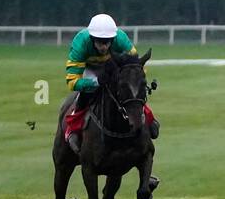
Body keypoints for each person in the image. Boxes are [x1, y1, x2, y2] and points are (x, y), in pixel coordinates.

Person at [63, 13, 160, 155]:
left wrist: (136, 81)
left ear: (113, 39)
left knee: (129, 91)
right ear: (91, 39)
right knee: (86, 93)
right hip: (90, 69)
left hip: (113, 65)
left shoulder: (121, 39)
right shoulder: (80, 43)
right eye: (100, 42)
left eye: (108, 41)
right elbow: (72, 82)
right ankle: (73, 129)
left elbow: (136, 66)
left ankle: (149, 118)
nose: (104, 46)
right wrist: (96, 82)